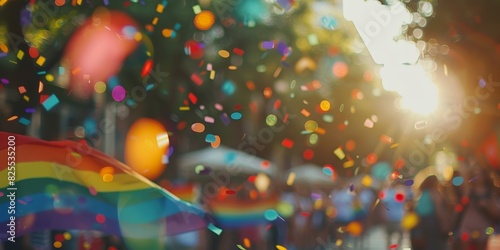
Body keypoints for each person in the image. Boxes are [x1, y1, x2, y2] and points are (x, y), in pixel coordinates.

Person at [455, 159, 500, 250]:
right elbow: (463, 173)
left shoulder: (492, 192)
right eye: (474, 172)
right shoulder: (468, 190)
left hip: (483, 229)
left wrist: (487, 205)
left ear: (484, 174)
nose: (477, 174)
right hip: (467, 227)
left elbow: (497, 213)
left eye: (480, 172)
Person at [410, 175, 454, 250]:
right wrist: (444, 224)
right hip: (434, 223)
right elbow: (439, 210)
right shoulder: (434, 193)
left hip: (423, 223)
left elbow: (418, 210)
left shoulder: (422, 193)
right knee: (436, 244)